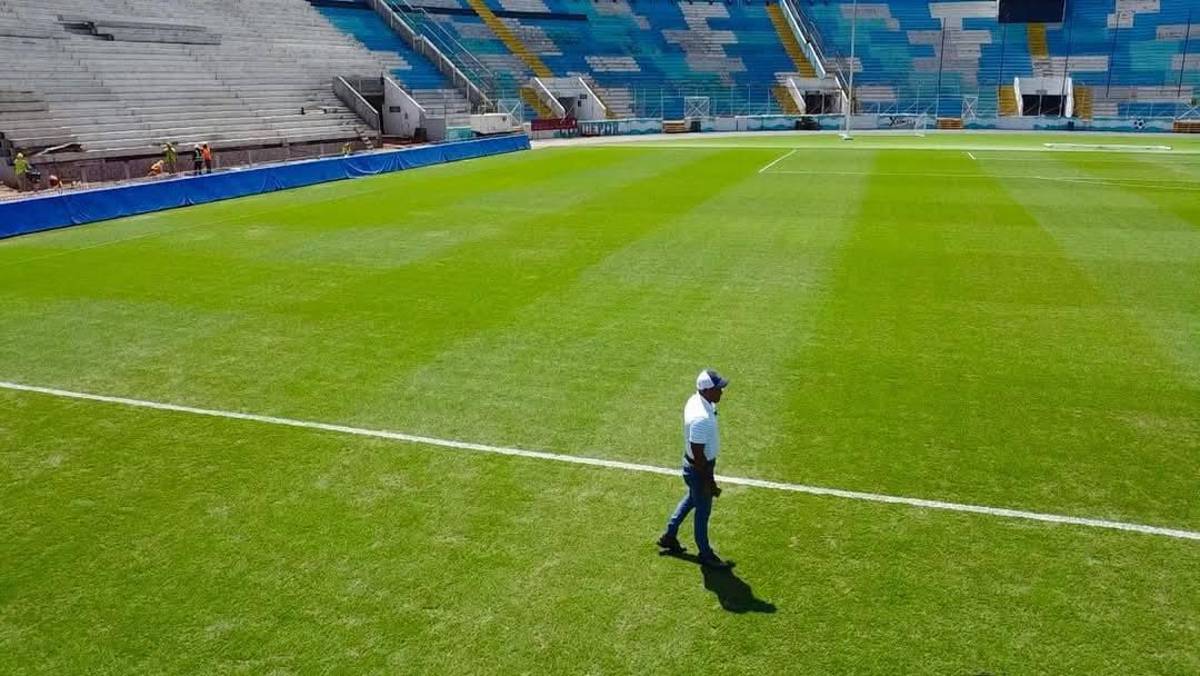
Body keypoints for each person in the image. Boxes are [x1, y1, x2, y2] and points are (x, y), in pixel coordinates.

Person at [658, 369, 733, 569]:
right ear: (707, 390)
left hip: (694, 467)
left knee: (692, 499)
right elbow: (698, 455)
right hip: (699, 470)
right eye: (718, 388)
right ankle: (705, 554)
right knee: (702, 512)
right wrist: (710, 482)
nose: (722, 392)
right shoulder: (701, 419)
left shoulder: (697, 400)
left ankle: (669, 535)